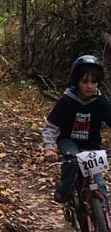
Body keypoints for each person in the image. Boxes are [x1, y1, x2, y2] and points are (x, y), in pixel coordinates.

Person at [43, 55, 111, 204]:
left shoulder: (101, 102)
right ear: (77, 81)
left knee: (99, 185)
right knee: (72, 162)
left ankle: (105, 221)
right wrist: (49, 148)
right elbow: (51, 125)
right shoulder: (67, 101)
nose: (90, 86)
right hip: (69, 142)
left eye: (94, 82)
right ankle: (63, 191)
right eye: (85, 81)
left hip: (92, 146)